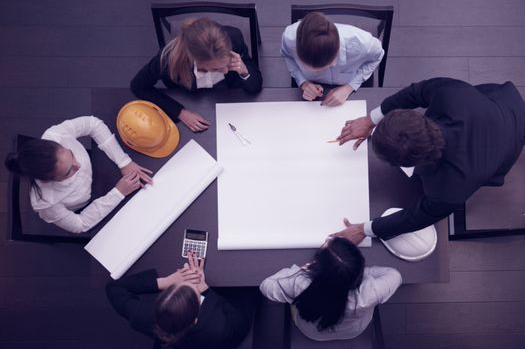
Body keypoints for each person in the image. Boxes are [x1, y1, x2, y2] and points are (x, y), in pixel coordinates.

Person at [333, 77, 525, 243]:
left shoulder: (450, 189)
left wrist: (364, 230)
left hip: (510, 131)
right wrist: (370, 120)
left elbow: (416, 217)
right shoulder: (452, 95)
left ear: (409, 164)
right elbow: (416, 91)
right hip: (495, 107)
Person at [4, 116, 153, 233]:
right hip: (91, 202)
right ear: (48, 180)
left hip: (101, 169)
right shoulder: (46, 203)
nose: (79, 165)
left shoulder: (56, 134)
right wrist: (118, 193)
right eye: (69, 171)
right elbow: (80, 224)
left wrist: (123, 162)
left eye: (71, 154)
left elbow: (93, 124)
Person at [131, 17, 263, 133]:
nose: (225, 71)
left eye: (227, 62)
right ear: (196, 60)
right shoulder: (167, 61)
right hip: (190, 99)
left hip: (230, 98)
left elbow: (255, 86)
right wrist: (179, 112)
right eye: (216, 69)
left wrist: (244, 71)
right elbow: (138, 86)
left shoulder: (234, 37)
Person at [260, 237, 401, 341]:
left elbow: (266, 286)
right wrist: (357, 273)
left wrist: (297, 270)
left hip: (312, 332)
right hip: (354, 330)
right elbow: (394, 275)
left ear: (317, 267)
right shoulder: (371, 292)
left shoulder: (297, 283)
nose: (327, 239)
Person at [106, 253, 257, 349]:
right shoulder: (218, 331)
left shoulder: (141, 315)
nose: (190, 281)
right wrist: (205, 288)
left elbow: (114, 288)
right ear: (195, 320)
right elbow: (241, 321)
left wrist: (164, 281)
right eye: (194, 289)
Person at [281, 12, 384, 106]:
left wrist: (349, 87)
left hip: (355, 88)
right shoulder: (289, 38)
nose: (317, 74)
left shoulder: (364, 44)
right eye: (308, 68)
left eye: (323, 68)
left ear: (337, 53)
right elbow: (287, 55)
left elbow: (378, 56)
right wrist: (303, 82)